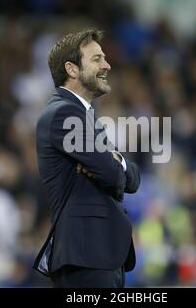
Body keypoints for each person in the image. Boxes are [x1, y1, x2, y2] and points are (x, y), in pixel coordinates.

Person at [33, 28, 140, 288]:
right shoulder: (63, 113)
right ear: (71, 69)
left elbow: (132, 178)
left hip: (99, 254)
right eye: (97, 59)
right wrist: (111, 163)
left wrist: (113, 159)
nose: (107, 65)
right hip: (86, 255)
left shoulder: (85, 116)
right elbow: (113, 175)